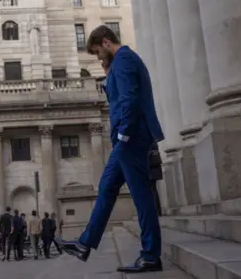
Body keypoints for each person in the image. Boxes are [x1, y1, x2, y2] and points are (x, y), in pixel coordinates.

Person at [55, 25, 164, 273]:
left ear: (106, 42)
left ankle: (150, 256)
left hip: (131, 138)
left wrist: (124, 134)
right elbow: (118, 97)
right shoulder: (120, 63)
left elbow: (129, 100)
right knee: (106, 187)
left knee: (141, 196)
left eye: (97, 53)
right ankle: (85, 243)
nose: (98, 58)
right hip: (125, 141)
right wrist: (107, 72)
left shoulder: (125, 59)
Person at [149, 144, 163, 216]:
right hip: (154, 169)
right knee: (153, 190)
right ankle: (157, 211)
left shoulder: (148, 141)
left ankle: (156, 211)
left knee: (152, 191)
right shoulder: (152, 141)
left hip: (150, 169)